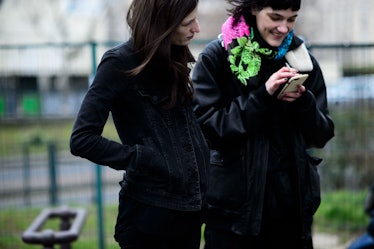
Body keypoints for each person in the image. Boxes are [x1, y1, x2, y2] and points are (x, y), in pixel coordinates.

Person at [192, 0, 335, 248]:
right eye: (276, 17)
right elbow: (207, 130)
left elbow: (321, 135)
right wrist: (263, 97)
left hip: (293, 217)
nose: (284, 28)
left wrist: (304, 102)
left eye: (291, 19)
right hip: (234, 221)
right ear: (254, 9)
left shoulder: (303, 61)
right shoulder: (217, 57)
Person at [70, 0, 209, 248]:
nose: (197, 28)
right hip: (150, 218)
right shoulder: (118, 63)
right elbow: (82, 139)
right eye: (188, 22)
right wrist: (142, 158)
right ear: (163, 25)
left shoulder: (178, 58)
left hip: (190, 214)